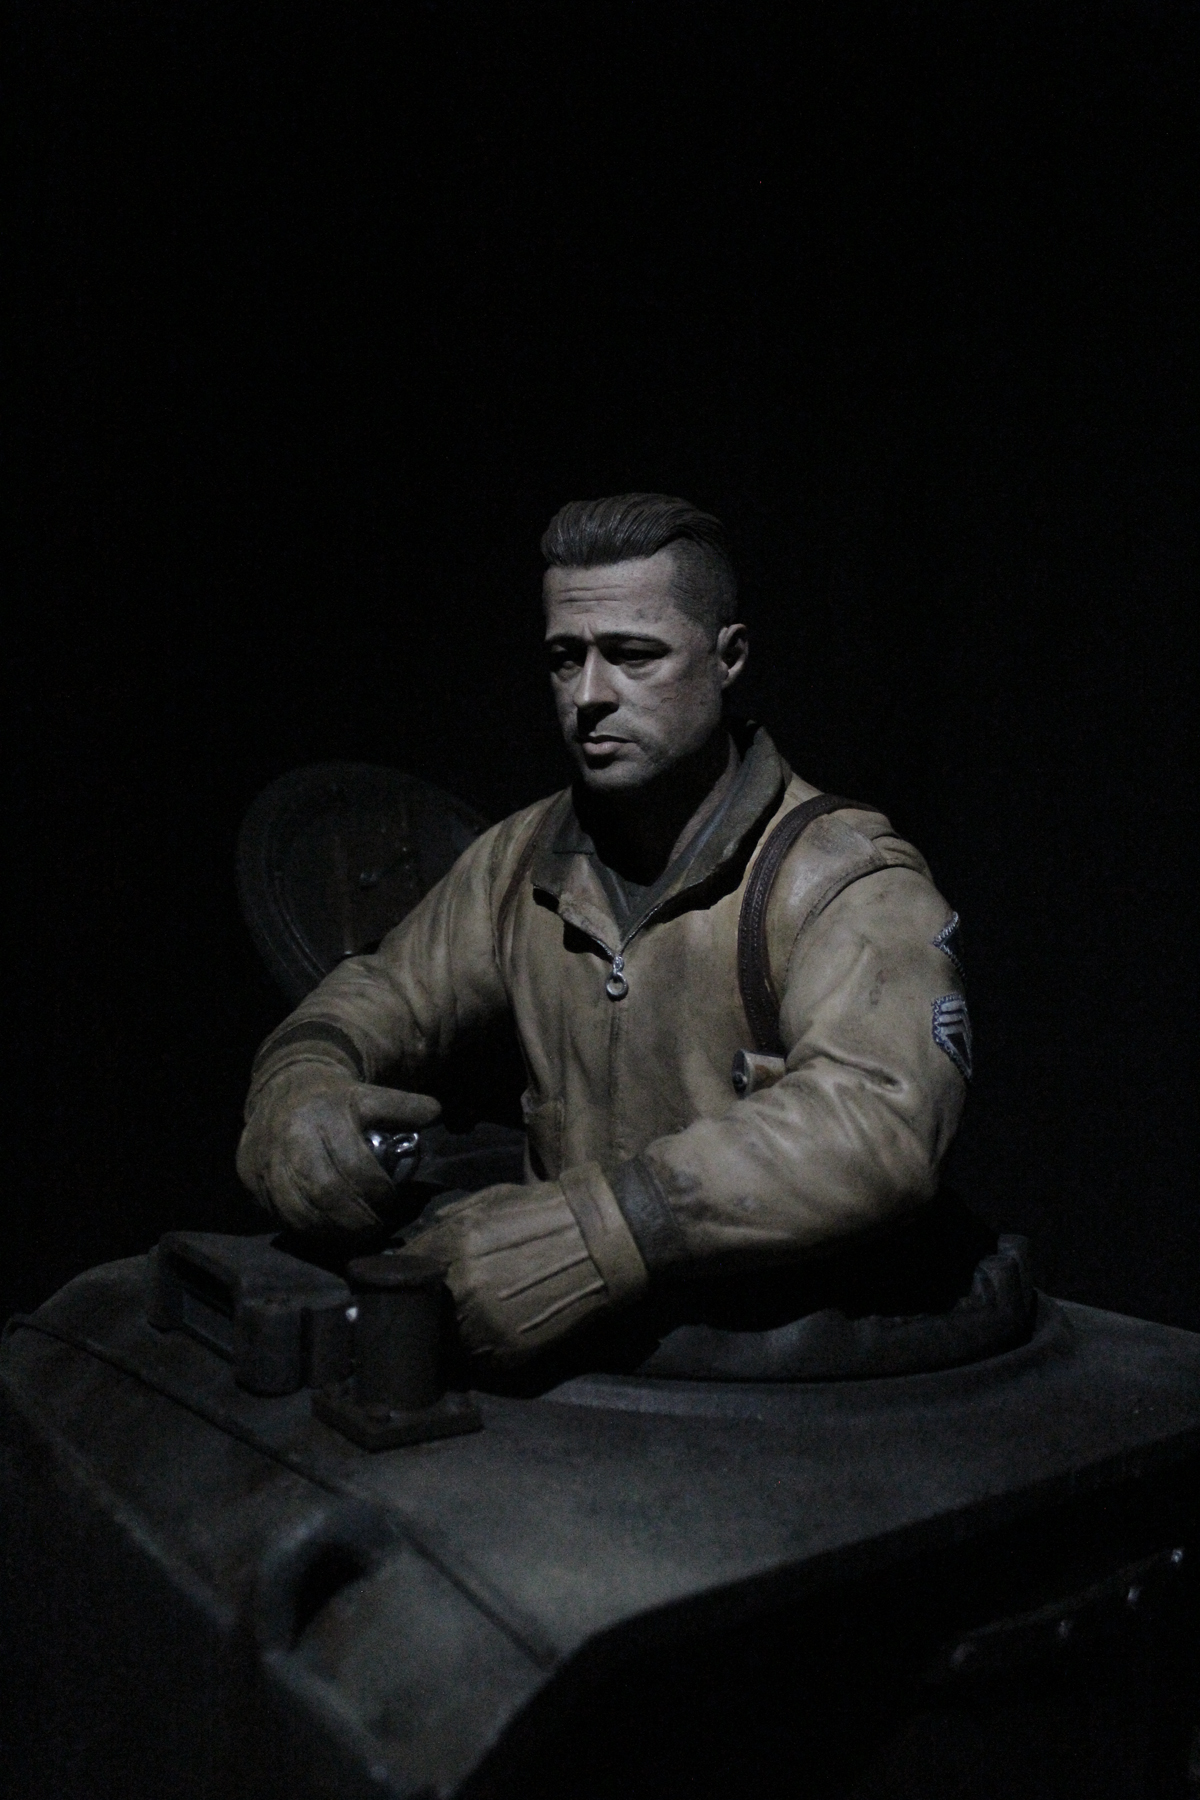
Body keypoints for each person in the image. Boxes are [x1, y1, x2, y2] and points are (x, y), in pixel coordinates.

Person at [237, 494, 971, 1370]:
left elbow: (878, 1119)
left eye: (633, 655)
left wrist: (617, 1223)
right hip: (576, 1364)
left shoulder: (842, 880)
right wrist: (298, 1083)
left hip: (781, 1373)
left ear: (729, 658)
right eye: (566, 658)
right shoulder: (522, 860)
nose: (589, 695)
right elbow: (386, 991)